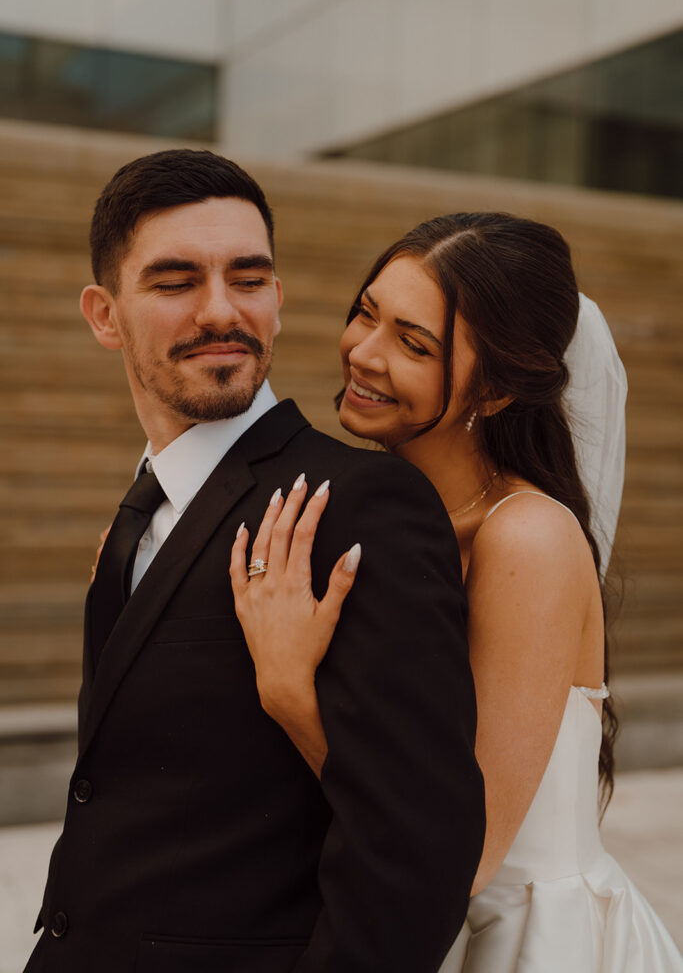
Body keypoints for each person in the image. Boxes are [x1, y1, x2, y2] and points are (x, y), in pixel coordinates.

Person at [24, 152, 485, 972]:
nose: (220, 311)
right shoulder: (140, 512)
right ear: (105, 315)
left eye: (248, 277)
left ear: (277, 296)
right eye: (173, 282)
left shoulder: (359, 505)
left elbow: (416, 845)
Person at [230, 212, 683, 972]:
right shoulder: (387, 517)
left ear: (499, 389)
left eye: (413, 343)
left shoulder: (526, 540)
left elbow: (460, 854)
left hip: (521, 942)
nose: (363, 355)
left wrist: (288, 691)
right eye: (366, 314)